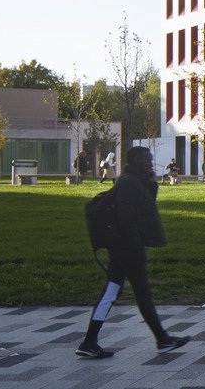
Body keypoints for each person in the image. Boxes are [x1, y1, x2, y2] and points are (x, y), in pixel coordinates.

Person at [76, 146, 191, 359]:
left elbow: (146, 204)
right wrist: (135, 246)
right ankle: (162, 340)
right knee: (141, 292)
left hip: (123, 246)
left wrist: (150, 181)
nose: (150, 162)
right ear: (135, 160)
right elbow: (126, 217)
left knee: (112, 291)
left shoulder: (133, 180)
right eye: (147, 160)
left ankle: (89, 341)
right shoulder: (128, 182)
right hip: (127, 247)